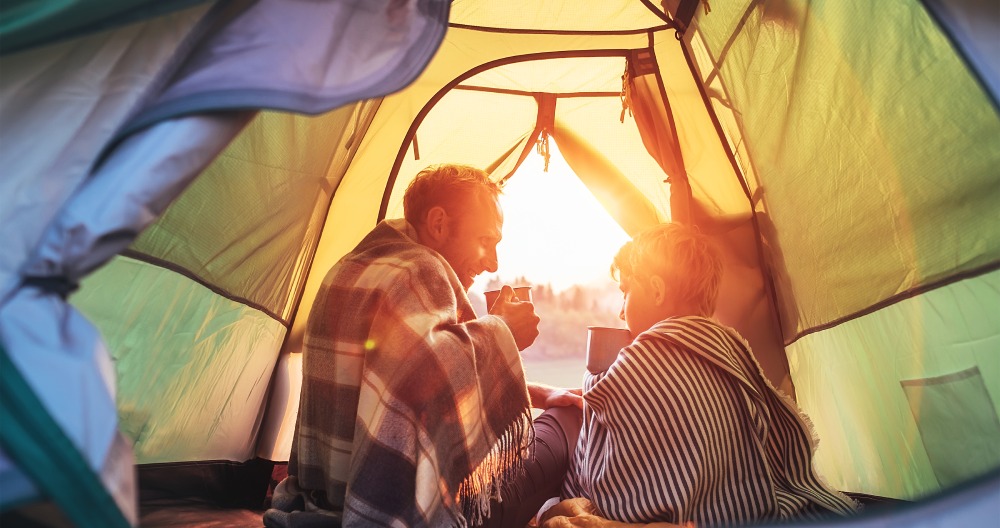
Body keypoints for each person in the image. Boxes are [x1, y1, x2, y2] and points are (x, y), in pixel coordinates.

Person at [264, 164, 581, 528]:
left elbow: (400, 385)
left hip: (325, 497)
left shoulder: (348, 268)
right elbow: (426, 378)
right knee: (564, 423)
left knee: (552, 410)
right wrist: (503, 329)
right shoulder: (420, 269)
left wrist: (536, 393)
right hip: (398, 509)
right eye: (486, 241)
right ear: (439, 223)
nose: (493, 262)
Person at [540, 223, 858, 527]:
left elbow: (603, 482)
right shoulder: (728, 345)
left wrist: (592, 381)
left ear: (656, 290)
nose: (621, 311)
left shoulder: (645, 356)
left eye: (625, 292)